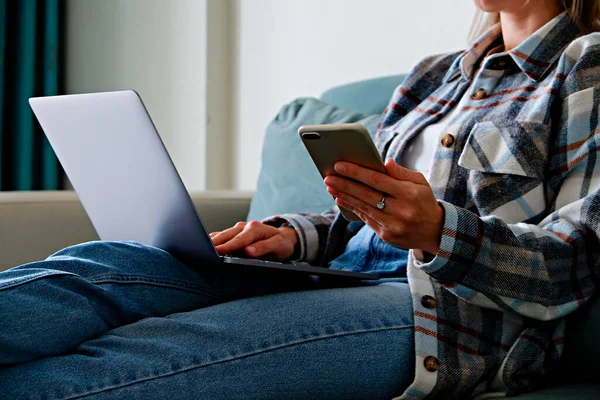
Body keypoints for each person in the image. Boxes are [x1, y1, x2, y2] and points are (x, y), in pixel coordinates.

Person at [2, 0, 600, 398]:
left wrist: (439, 230)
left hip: (445, 311)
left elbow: (574, 264)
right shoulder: (434, 77)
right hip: (338, 275)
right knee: (101, 267)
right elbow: (355, 221)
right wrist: (293, 235)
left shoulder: (584, 68)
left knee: (133, 358)